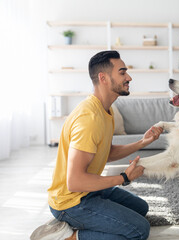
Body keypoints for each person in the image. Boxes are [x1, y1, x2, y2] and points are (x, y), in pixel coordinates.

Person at [30, 50, 163, 240]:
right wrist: (124, 177)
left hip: (89, 191)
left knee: (141, 209)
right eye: (122, 72)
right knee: (139, 230)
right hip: (70, 202)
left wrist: (142, 142)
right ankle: (67, 236)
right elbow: (74, 181)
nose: (129, 77)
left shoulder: (105, 110)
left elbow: (105, 153)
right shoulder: (89, 118)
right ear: (104, 78)